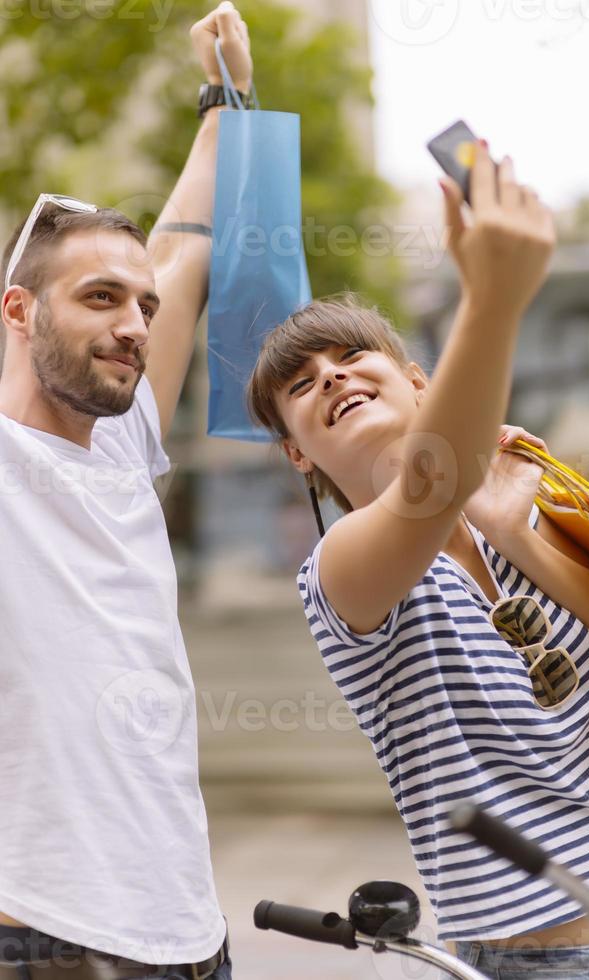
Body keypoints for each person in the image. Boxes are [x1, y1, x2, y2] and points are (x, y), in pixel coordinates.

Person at [247, 148, 589, 978]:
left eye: (350, 358)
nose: (330, 377)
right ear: (297, 452)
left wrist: (517, 537)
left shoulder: (519, 506)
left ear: (416, 379)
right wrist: (494, 297)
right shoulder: (339, 571)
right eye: (301, 384)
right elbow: (435, 485)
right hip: (529, 961)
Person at [0, 3, 252, 978]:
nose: (137, 321)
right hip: (43, 929)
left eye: (142, 304)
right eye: (99, 296)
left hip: (190, 927)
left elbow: (186, 234)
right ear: (18, 312)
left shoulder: (124, 437)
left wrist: (223, 99)